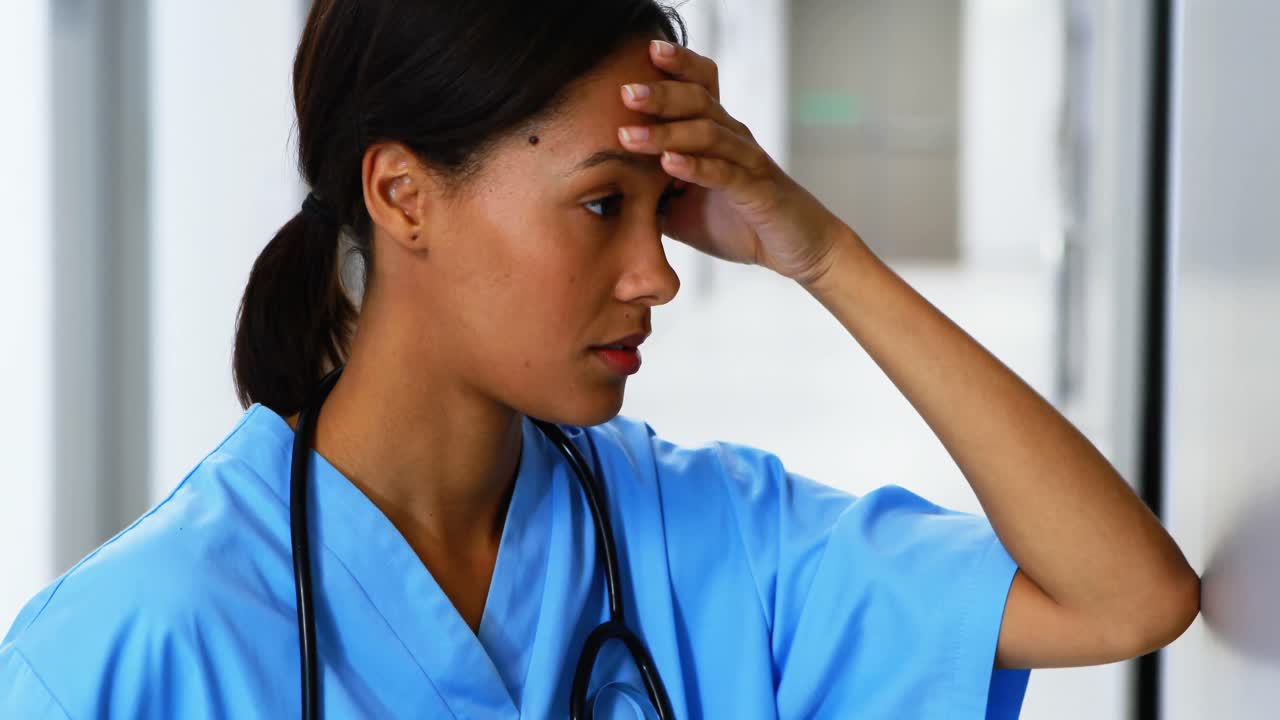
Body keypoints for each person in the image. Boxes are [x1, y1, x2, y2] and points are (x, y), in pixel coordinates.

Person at [0, 1, 1200, 718]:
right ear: (404, 193)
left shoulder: (702, 540)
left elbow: (1126, 597)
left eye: (660, 209)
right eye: (597, 207)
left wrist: (823, 253)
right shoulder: (135, 643)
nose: (658, 273)